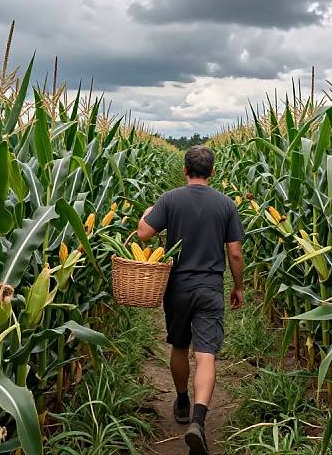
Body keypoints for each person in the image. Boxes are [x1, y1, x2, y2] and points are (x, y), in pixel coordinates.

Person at [137, 145, 244, 455]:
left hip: (178, 286)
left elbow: (143, 233)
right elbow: (234, 253)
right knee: (207, 353)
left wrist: (147, 213)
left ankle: (182, 401)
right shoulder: (226, 204)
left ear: (185, 170)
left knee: (179, 345)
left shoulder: (170, 199)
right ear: (212, 172)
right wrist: (238, 286)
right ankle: (199, 419)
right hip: (211, 286)